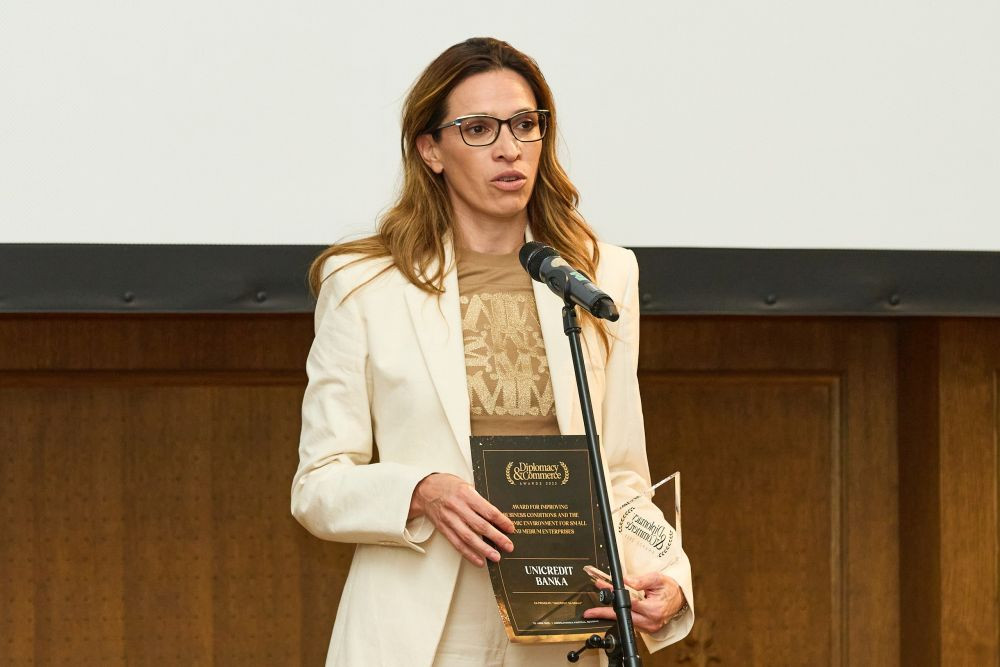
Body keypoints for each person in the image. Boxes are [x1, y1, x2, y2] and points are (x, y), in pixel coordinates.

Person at [291, 37, 693, 666]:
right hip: (420, 631)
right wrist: (421, 490)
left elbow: (618, 474)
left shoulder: (601, 275)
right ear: (431, 150)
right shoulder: (364, 284)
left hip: (563, 621)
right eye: (478, 129)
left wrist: (667, 577)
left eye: (525, 124)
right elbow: (318, 485)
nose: (509, 148)